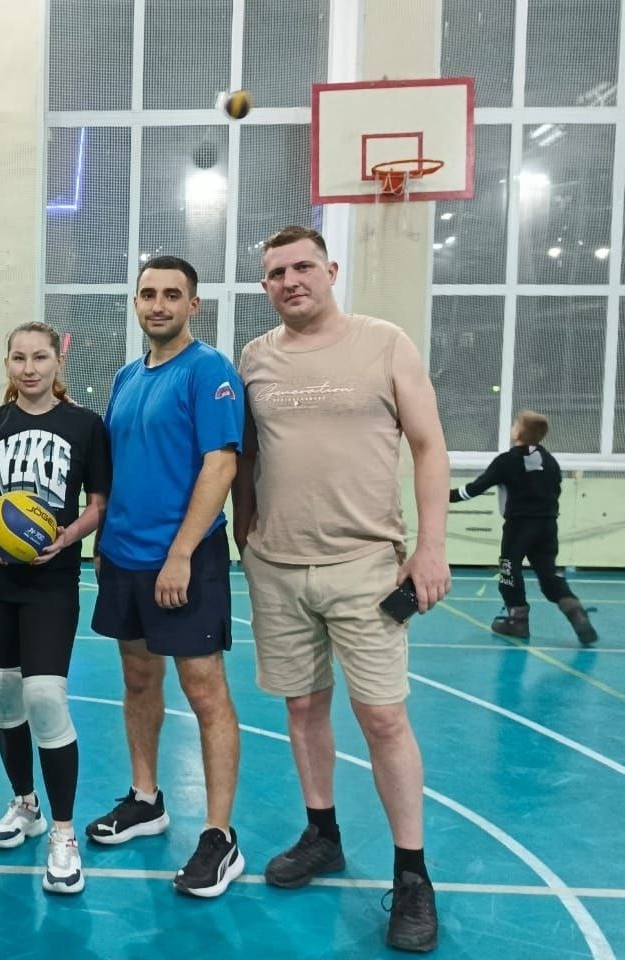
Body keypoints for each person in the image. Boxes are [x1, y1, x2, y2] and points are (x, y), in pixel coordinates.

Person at [233, 225, 452, 953]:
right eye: (276, 273)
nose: (290, 281)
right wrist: (245, 530)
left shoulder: (384, 342)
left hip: (365, 563)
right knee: (302, 707)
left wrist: (430, 547)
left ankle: (413, 875)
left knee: (383, 718)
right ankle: (322, 833)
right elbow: (247, 454)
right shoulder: (255, 357)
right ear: (265, 286)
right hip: (277, 565)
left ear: (330, 270)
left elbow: (429, 445)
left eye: (302, 267)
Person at [83, 255, 246, 900]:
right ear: (136, 303)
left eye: (172, 295)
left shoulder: (209, 371)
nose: (158, 305)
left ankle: (219, 835)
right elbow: (120, 464)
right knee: (137, 677)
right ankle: (146, 798)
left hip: (185, 557)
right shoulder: (127, 376)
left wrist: (180, 553)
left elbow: (221, 465)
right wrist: (103, 541)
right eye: (148, 294)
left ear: (192, 305)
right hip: (123, 555)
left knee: (204, 690)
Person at [0, 321, 110, 895]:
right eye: (18, 357)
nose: (29, 368)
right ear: (7, 363)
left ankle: (63, 834)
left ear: (56, 362)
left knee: (44, 694)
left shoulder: (84, 425)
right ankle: (26, 804)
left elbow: (98, 504)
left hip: (51, 579)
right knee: (2, 689)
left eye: (40, 357)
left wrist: (66, 538)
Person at [450, 410, 597, 645]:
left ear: (518, 432)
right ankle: (575, 610)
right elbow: (555, 491)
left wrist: (444, 496)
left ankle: (517, 620)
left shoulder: (506, 461)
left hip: (519, 526)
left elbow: (475, 488)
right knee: (548, 574)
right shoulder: (550, 461)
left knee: (509, 570)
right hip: (548, 525)